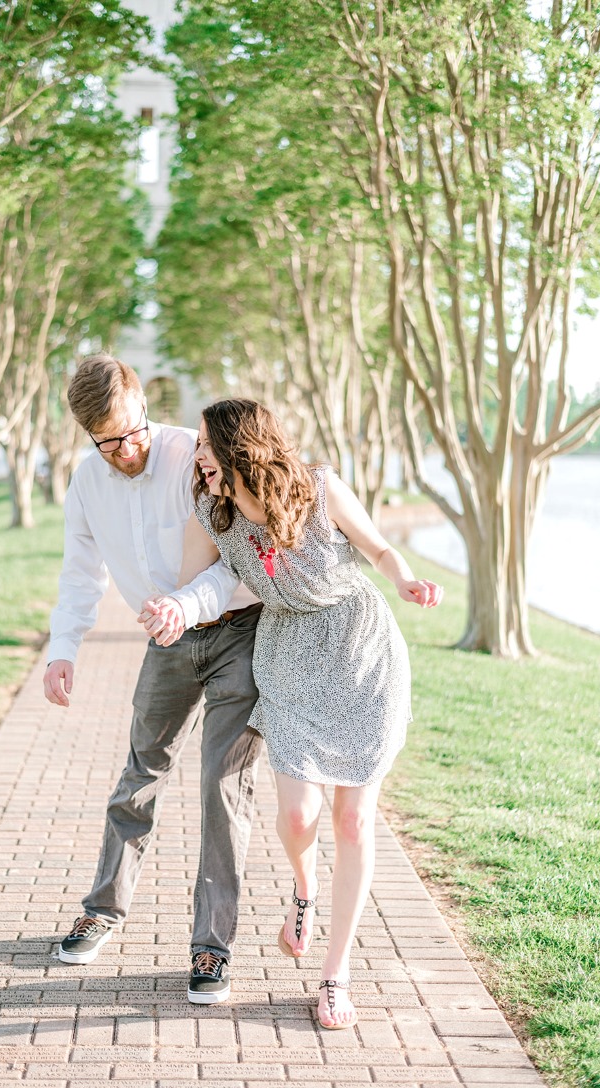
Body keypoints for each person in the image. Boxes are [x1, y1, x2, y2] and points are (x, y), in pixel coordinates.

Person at [141, 398, 443, 1029]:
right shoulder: (212, 513)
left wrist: (408, 579)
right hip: (289, 660)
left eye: (205, 446)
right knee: (298, 816)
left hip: (364, 656)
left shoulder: (321, 489)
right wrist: (177, 608)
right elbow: (206, 588)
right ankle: (304, 887)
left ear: (240, 448)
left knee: (355, 821)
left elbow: (381, 549)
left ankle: (336, 976)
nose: (198, 458)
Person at [43, 356, 263, 1005]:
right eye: (108, 441)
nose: (126, 448)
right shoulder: (88, 484)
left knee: (223, 788)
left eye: (132, 430)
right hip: (166, 642)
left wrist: (184, 604)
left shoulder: (193, 456)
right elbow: (82, 574)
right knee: (140, 773)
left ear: (144, 407)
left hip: (235, 633)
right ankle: (103, 909)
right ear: (89, 436)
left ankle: (211, 948)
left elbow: (240, 557)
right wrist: (63, 650)